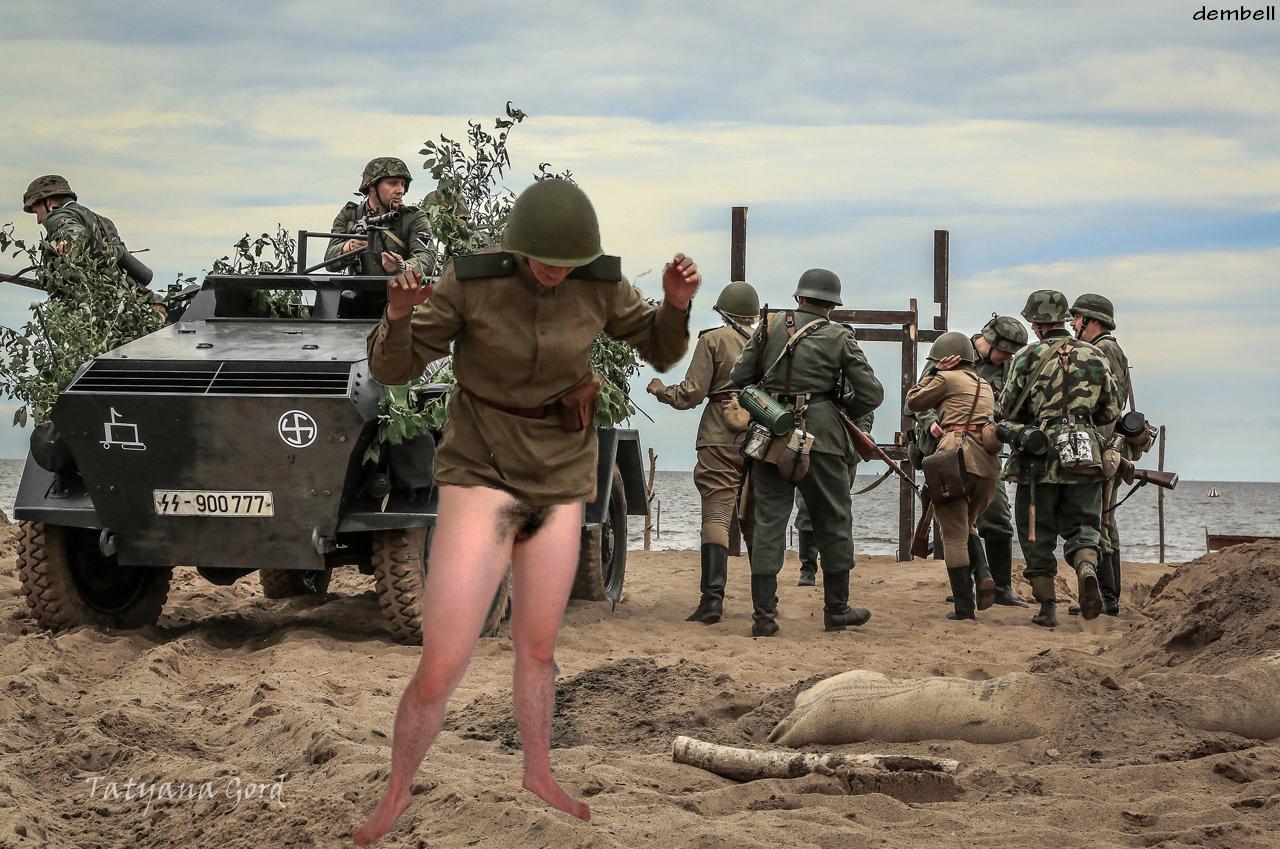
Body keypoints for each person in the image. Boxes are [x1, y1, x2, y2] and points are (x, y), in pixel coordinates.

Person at [353, 179, 698, 845]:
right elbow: (396, 369)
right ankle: (396, 792)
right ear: (518, 249)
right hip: (482, 467)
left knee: (537, 646)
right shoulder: (471, 281)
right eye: (544, 262)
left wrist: (676, 305)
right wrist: (396, 316)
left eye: (567, 264)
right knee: (444, 658)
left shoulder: (600, 284)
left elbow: (658, 348)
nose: (556, 273)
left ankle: (538, 772)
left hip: (561, 470)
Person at [730, 268, 883, 637]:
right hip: (824, 439)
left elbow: (740, 377)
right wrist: (839, 406)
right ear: (832, 304)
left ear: (799, 297)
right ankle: (837, 610)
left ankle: (764, 617)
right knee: (834, 519)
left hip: (772, 435)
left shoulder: (768, 327)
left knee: (769, 521)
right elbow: (871, 394)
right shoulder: (839, 336)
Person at [996, 290, 1120, 627]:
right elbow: (1111, 409)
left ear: (1037, 324)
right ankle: (1086, 567)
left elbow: (1007, 408)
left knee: (1036, 532)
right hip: (1084, 454)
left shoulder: (1026, 356)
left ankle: (1047, 607)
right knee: (1085, 525)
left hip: (1038, 457)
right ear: (1065, 319)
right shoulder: (1095, 354)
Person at [647, 281, 759, 624]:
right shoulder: (769, 343)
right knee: (757, 520)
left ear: (723, 311)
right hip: (762, 436)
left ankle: (712, 601)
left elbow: (692, 394)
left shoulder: (713, 340)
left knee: (716, 516)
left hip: (719, 436)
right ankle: (764, 605)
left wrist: (661, 391)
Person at [905, 332, 1002, 620]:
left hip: (954, 460)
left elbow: (913, 402)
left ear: (947, 359)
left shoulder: (946, 378)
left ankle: (963, 607)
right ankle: (983, 573)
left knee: (954, 535)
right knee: (967, 523)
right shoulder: (985, 385)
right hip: (987, 466)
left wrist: (934, 371)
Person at [1070, 293, 1130, 616]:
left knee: (1100, 521)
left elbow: (1107, 406)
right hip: (1107, 447)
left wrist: (1098, 450)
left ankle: (1108, 598)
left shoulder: (1103, 350)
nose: (1072, 324)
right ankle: (1110, 596)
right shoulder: (1107, 348)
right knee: (1103, 519)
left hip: (1104, 448)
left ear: (1091, 321)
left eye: (1077, 318)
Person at [21, 174, 155, 296]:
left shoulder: (57, 217)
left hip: (85, 306)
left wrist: (70, 243)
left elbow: (73, 232)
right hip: (119, 300)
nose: (38, 220)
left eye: (37, 211)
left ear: (49, 202)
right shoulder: (103, 222)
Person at [324, 157, 434, 277]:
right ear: (372, 186)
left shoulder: (413, 218)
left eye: (403, 184)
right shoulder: (350, 214)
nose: (400, 190)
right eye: (393, 183)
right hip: (359, 287)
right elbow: (329, 262)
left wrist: (403, 267)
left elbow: (427, 258)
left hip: (400, 286)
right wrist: (348, 247)